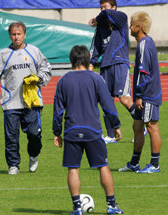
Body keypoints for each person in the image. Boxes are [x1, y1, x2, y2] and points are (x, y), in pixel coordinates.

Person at [0, 21, 52, 175]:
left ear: (24, 35)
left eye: (19, 34)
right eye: (14, 34)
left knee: (34, 134)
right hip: (11, 103)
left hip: (32, 102)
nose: (16, 37)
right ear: (10, 35)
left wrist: (38, 78)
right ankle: (13, 165)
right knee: (11, 137)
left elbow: (46, 68)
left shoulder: (34, 51)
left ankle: (34, 155)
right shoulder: (3, 54)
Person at [53, 45, 123, 215]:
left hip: (72, 130)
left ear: (71, 60)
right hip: (93, 130)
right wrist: (116, 125)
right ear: (87, 59)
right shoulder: (96, 79)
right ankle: (111, 206)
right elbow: (108, 104)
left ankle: (77, 208)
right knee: (103, 166)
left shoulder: (63, 80)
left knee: (73, 169)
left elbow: (58, 110)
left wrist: (57, 132)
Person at [89, 0, 137, 144]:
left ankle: (142, 125)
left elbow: (107, 14)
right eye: (101, 6)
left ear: (114, 7)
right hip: (105, 65)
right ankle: (110, 136)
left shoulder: (121, 18)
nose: (103, 9)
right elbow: (97, 46)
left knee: (124, 99)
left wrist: (98, 17)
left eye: (105, 6)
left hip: (120, 63)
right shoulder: (101, 26)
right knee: (105, 100)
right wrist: (92, 63)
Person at [119, 12, 162, 173]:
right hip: (145, 94)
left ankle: (155, 164)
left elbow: (144, 74)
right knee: (137, 126)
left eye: (131, 24)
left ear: (139, 27)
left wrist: (138, 96)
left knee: (151, 126)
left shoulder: (144, 44)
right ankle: (134, 162)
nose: (129, 27)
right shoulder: (144, 43)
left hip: (148, 94)